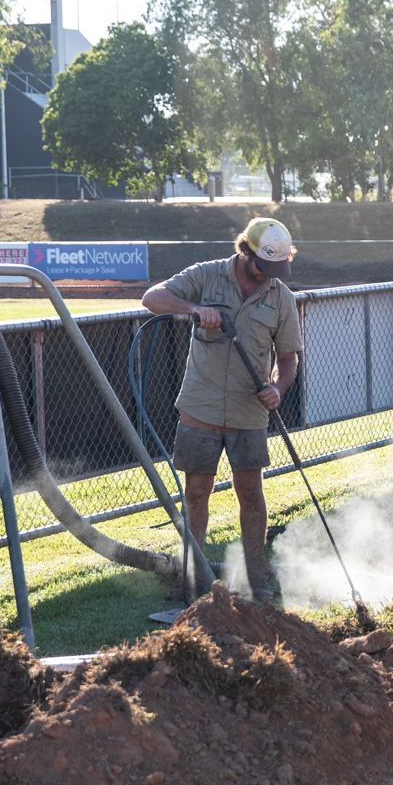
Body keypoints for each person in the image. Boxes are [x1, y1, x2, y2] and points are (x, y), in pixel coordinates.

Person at [140, 218, 304, 603]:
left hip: (250, 412)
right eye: (264, 265)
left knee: (251, 492)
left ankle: (256, 580)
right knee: (196, 492)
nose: (269, 274)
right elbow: (152, 298)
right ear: (245, 251)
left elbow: (289, 359)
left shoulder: (281, 297)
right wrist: (195, 309)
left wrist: (277, 388)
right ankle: (192, 579)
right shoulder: (207, 275)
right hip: (201, 406)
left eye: (277, 267)